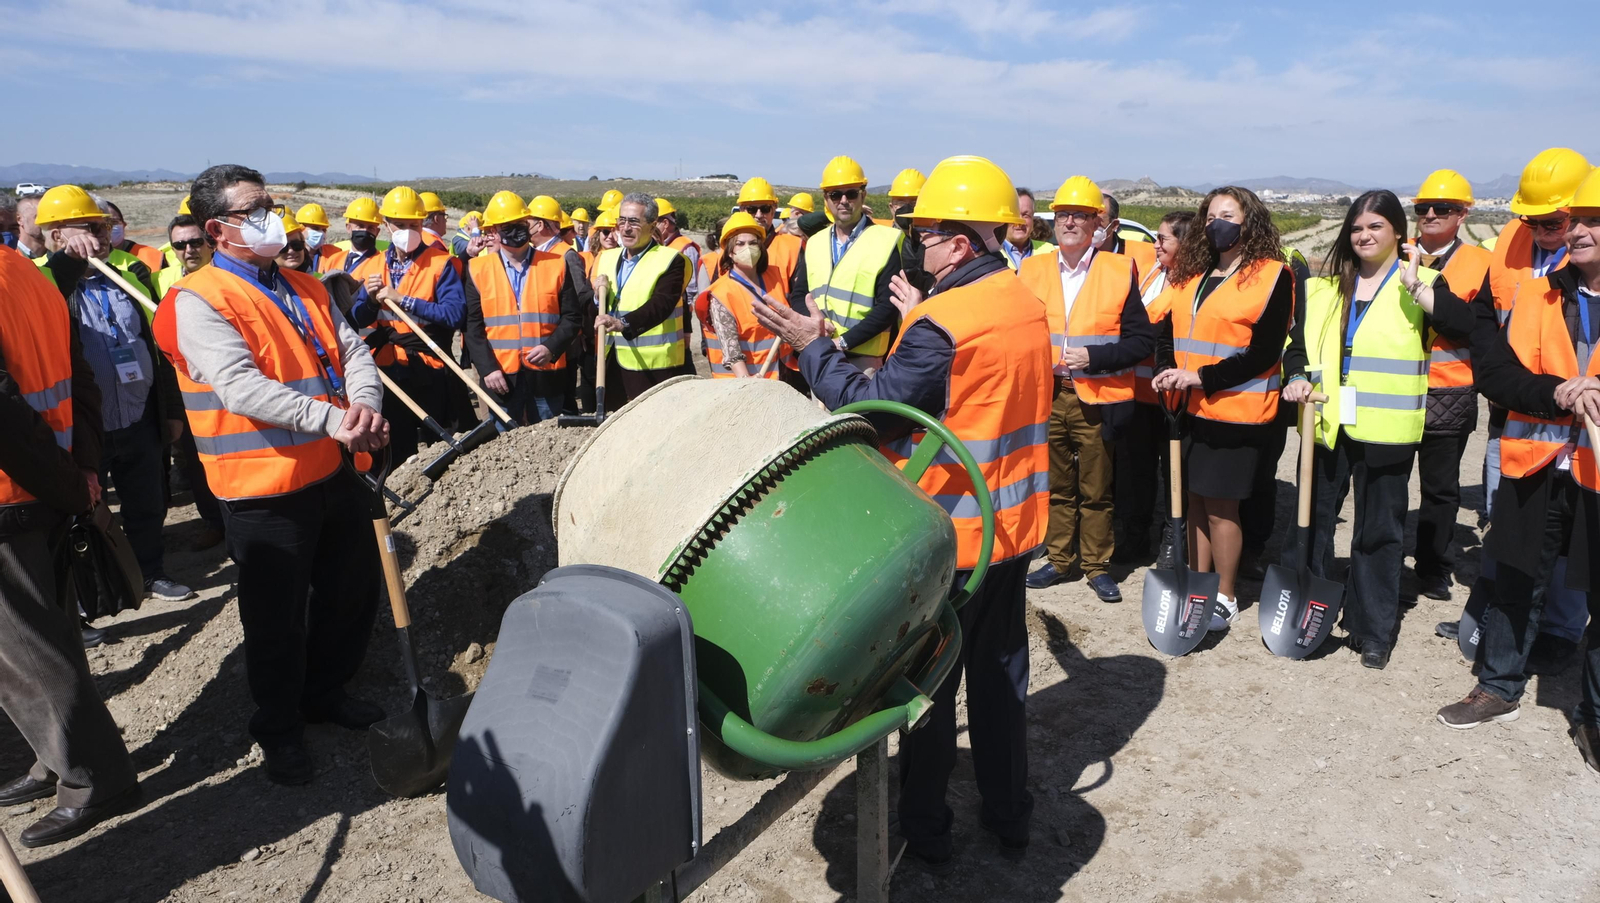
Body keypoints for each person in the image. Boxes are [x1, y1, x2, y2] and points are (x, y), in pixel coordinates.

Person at [752, 155, 1050, 870]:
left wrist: (811, 346)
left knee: (929, 689)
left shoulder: (944, 322)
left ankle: (926, 827)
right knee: (1002, 681)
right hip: (1015, 530)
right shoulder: (1022, 300)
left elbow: (872, 409)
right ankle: (1010, 816)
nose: (917, 246)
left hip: (954, 539)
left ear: (961, 242)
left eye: (926, 235)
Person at [154, 163, 388, 785]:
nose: (270, 218)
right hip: (261, 490)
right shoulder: (196, 301)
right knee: (276, 620)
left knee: (350, 593)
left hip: (331, 471)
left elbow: (353, 350)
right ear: (217, 229)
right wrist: (335, 420)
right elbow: (240, 387)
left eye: (270, 205)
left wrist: (364, 405)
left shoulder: (305, 286)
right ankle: (280, 729)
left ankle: (325, 693)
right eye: (253, 210)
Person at [1435, 168, 1600, 757]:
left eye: (1593, 221)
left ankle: (1594, 715)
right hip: (1535, 464)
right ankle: (1498, 685)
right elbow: (1498, 375)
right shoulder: (1537, 294)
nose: (1577, 232)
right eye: (1574, 221)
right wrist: (1558, 392)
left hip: (1595, 475)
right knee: (1515, 577)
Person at [1281, 190, 1477, 669]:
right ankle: (1307, 612)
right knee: (1312, 520)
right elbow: (1297, 347)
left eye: (1375, 227)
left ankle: (1372, 629)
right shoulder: (1323, 289)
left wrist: (1417, 287)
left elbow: (1465, 326)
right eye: (1356, 228)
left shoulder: (1424, 283)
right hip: (1327, 424)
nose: (1364, 235)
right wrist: (1296, 376)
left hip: (1387, 430)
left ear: (1397, 233)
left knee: (1379, 531)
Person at [0, 229, 144, 849]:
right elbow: (78, 377)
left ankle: (93, 778)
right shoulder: (25, 273)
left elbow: (5, 416)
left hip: (16, 495)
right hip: (46, 486)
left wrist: (69, 483)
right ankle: (53, 758)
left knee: (28, 654)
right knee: (44, 640)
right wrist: (81, 470)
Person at [36, 186, 192, 603]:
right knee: (83, 513)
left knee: (147, 503)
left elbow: (157, 348)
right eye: (90, 227)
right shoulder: (40, 280)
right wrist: (68, 262)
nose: (102, 235)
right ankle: (94, 594)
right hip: (84, 428)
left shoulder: (128, 276)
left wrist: (170, 409)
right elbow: (52, 300)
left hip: (139, 418)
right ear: (56, 234)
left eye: (105, 226)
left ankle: (150, 573)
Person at [1151, 186, 1294, 632]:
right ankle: (1200, 582)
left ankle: (1226, 595)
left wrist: (1203, 377)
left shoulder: (1272, 275)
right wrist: (1165, 369)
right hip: (1187, 410)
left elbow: (1264, 352)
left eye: (1228, 216)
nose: (1217, 224)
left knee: (1221, 508)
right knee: (1194, 502)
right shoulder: (1192, 273)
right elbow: (1166, 332)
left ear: (1249, 222)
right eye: (1211, 216)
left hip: (1236, 413)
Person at [1017, 176, 1154, 603]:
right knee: (1057, 485)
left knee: (1096, 489)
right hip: (1048, 394)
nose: (1070, 222)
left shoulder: (1118, 270)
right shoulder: (1032, 268)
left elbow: (1141, 342)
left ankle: (1096, 566)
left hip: (1097, 398)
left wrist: (1094, 357)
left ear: (1098, 223)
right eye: (1063, 215)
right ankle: (1059, 560)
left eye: (1080, 215)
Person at [1406, 171, 1495, 602]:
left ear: (1463, 215)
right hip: (1392, 389)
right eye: (1422, 207)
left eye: (1442, 208)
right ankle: (1382, 562)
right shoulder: (1394, 253)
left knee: (1440, 488)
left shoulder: (1481, 263)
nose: (1430, 214)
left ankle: (1433, 567)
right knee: (1384, 482)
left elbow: (1477, 328)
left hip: (1450, 391)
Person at [346, 187, 465, 464]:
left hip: (431, 365)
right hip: (388, 367)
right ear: (386, 225)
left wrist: (404, 300)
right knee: (395, 444)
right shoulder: (371, 266)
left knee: (441, 442)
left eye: (414, 225)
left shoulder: (441, 264)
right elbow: (356, 319)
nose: (408, 231)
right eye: (400, 225)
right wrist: (371, 302)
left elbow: (454, 315)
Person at [463, 191, 581, 424]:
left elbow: (572, 317)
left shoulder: (556, 265)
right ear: (494, 231)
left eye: (520, 223)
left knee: (546, 439)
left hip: (546, 375)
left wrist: (551, 348)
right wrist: (487, 369)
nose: (515, 230)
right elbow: (472, 326)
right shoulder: (477, 269)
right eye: (507, 226)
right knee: (504, 440)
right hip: (501, 378)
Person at [1115, 210, 1193, 562]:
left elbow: (1150, 327)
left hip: (1174, 399)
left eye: (1163, 239)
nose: (1155, 245)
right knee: (1136, 472)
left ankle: (1173, 542)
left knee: (1175, 474)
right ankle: (1135, 538)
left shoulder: (1192, 284)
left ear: (1185, 244)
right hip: (1139, 393)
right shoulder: (1151, 273)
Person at [790, 156, 906, 371]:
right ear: (826, 199)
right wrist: (815, 323)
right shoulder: (815, 242)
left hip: (863, 361)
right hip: (820, 353)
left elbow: (887, 307)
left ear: (863, 195)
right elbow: (799, 295)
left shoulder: (887, 241)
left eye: (851, 193)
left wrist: (843, 342)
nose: (843, 200)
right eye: (835, 195)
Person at [591, 194, 693, 407]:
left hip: (655, 367)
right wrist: (596, 296)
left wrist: (623, 323)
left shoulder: (670, 260)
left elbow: (661, 304)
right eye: (622, 220)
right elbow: (591, 303)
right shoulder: (606, 258)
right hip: (611, 362)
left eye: (634, 221)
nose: (626, 228)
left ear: (652, 225)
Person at [703, 212, 794, 382]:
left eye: (753, 243)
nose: (748, 248)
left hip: (780, 376)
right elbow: (731, 349)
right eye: (740, 244)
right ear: (730, 252)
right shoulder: (723, 292)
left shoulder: (774, 276)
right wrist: (747, 381)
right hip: (744, 381)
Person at [321, 197, 387, 274]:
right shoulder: (333, 260)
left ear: (377, 232)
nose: (365, 231)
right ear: (348, 227)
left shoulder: (383, 264)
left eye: (371, 228)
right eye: (360, 226)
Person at [1099, 194, 1157, 279]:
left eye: (1098, 222)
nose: (1092, 226)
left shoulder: (1146, 254)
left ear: (1114, 225)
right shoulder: (1079, 255)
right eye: (1087, 218)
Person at [156, 214, 213, 296]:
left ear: (211, 245)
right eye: (180, 245)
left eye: (195, 243)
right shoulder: (157, 280)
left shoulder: (229, 275)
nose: (189, 250)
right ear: (173, 250)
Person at [103, 201, 165, 272]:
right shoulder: (92, 263)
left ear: (124, 225)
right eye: (101, 224)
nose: (108, 228)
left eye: (114, 222)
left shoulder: (153, 256)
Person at [1002, 188, 1052, 271]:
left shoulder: (1049, 251)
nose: (1020, 221)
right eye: (1014, 215)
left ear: (1033, 218)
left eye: (1025, 215)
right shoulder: (992, 253)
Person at [294, 203, 337, 272]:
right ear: (301, 228)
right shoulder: (290, 254)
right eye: (315, 228)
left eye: (324, 230)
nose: (321, 233)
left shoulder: (334, 253)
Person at [15, 194, 44, 259]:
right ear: (19, 219)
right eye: (39, 217)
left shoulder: (59, 256)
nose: (46, 222)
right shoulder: (9, 256)